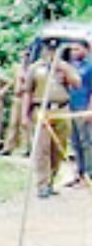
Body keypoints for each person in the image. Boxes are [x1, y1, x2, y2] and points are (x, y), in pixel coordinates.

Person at [28, 40, 81, 198]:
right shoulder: (35, 68)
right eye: (49, 49)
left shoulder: (64, 67)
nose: (51, 52)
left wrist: (63, 68)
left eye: (54, 49)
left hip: (61, 109)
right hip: (42, 111)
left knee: (59, 148)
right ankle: (42, 184)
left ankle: (51, 179)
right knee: (42, 148)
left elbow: (77, 83)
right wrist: (25, 115)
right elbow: (27, 92)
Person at [65, 42, 92, 187]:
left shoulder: (90, 66)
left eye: (77, 49)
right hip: (71, 106)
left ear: (86, 49)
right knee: (75, 142)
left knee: (86, 141)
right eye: (72, 49)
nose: (74, 52)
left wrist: (90, 108)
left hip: (84, 105)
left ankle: (89, 173)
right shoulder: (71, 66)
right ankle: (79, 173)